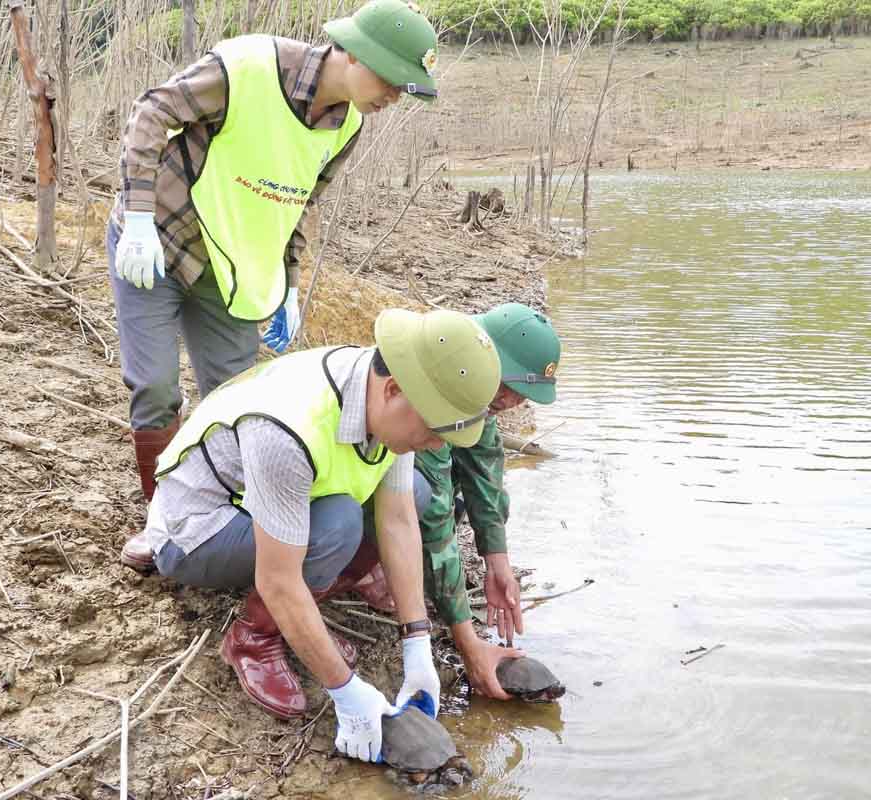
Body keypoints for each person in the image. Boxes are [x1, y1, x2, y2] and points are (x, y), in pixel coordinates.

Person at [106, 0, 441, 524]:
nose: (395, 98)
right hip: (160, 244)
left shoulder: (346, 126)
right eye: (392, 82)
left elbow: (301, 201)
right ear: (355, 55)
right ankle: (164, 524)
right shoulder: (247, 66)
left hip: (235, 270)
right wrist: (141, 216)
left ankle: (222, 515)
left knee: (236, 400)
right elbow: (151, 111)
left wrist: (287, 281)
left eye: (404, 89)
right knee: (154, 386)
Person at [121, 308, 500, 763]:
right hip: (197, 530)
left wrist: (416, 644)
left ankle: (309, 608)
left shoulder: (387, 391)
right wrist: (346, 692)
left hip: (274, 508)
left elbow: (397, 519)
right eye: (434, 430)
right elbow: (278, 580)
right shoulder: (290, 425)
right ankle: (253, 638)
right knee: (337, 522)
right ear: (395, 391)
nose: (437, 444)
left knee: (414, 491)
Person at [353, 303, 562, 700]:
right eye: (513, 389)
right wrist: (468, 644)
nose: (516, 402)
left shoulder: (477, 392)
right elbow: (432, 516)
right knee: (421, 495)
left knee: (458, 498)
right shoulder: (437, 388)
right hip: (333, 500)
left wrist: (497, 562)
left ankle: (387, 566)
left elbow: (484, 468)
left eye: (524, 396)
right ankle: (361, 569)